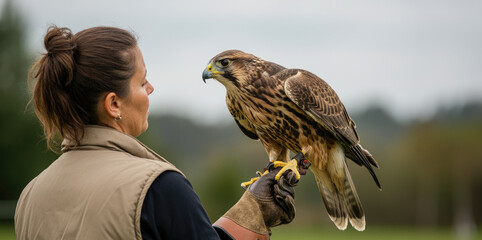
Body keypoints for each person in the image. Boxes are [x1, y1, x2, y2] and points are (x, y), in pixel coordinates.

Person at [14, 25, 298, 240]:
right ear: (114, 104)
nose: (151, 89)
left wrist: (251, 212)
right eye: (142, 81)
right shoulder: (157, 187)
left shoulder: (30, 195)